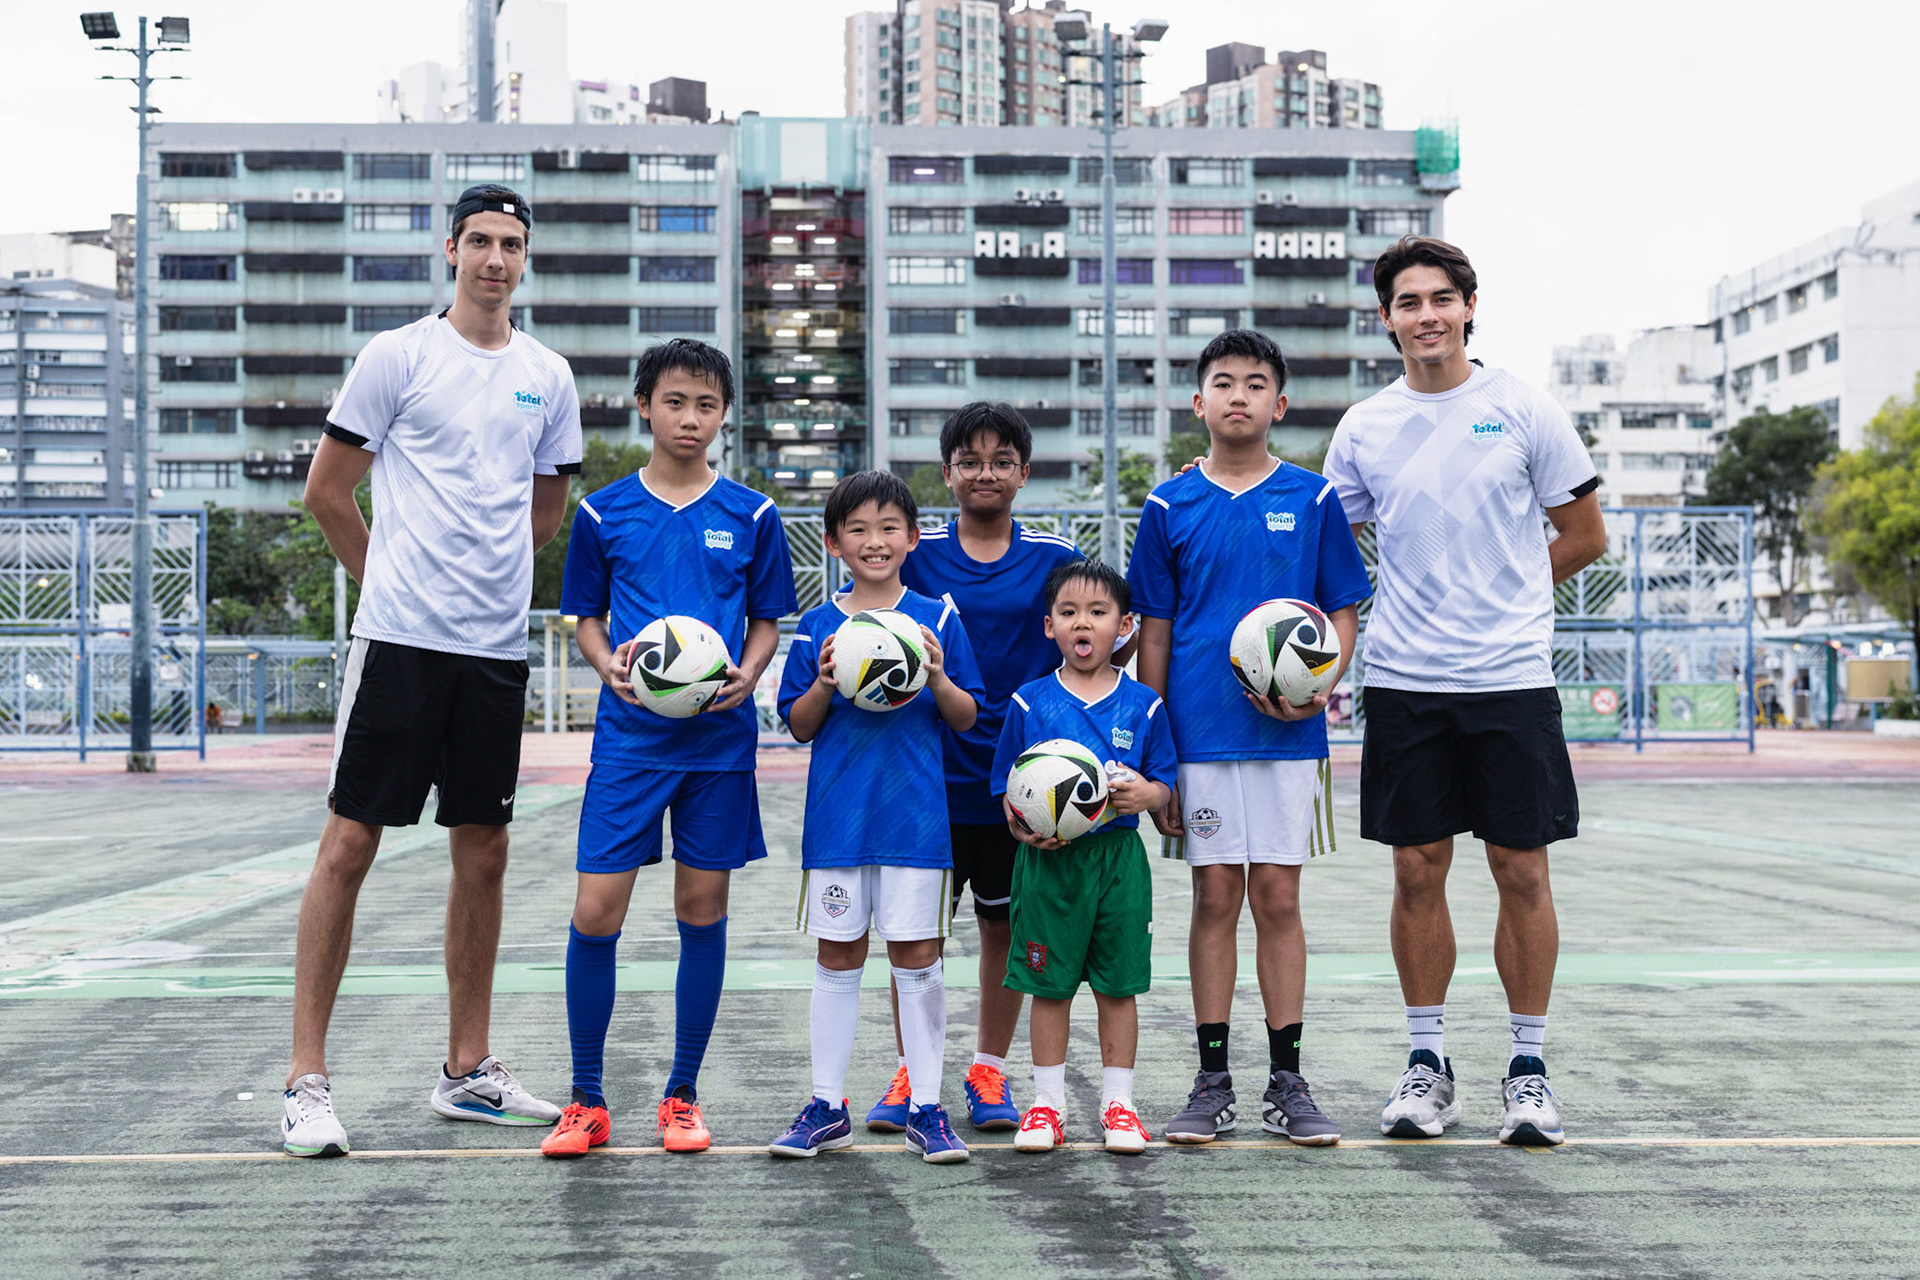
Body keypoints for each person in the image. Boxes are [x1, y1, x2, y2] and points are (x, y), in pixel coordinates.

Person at [283, 184, 578, 1157]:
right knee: (351, 843)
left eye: (513, 244)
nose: (496, 258)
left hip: (493, 651)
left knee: (484, 849)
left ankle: (467, 1070)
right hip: (401, 643)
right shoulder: (397, 355)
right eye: (481, 241)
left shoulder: (549, 374)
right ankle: (307, 1080)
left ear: (526, 259)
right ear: (450, 248)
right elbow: (328, 494)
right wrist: (393, 584)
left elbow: (544, 512)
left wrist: (482, 587)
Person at [1322, 236, 1607, 1146]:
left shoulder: (1524, 408)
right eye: (1408, 302)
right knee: (1416, 872)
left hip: (1510, 681)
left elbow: (1584, 533)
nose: (1427, 316)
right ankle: (1426, 1062)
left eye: (1441, 298)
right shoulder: (1364, 427)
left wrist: (1513, 595)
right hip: (1405, 680)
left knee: (1521, 870)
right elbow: (1331, 554)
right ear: (1386, 318)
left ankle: (1527, 1068)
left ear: (1470, 306)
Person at [540, 339, 796, 1158]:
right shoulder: (601, 512)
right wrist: (605, 661)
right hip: (630, 741)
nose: (691, 419)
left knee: (701, 911)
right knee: (596, 911)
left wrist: (750, 674)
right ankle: (585, 1099)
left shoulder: (752, 515)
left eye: (707, 405)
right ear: (643, 405)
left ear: (725, 416)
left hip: (718, 742)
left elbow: (765, 621)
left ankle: (682, 1095)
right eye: (676, 401)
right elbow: (584, 615)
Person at [1129, 328, 1371, 1147]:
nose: (1239, 395)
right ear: (1199, 403)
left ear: (1280, 403)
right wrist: (1154, 748)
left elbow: (1341, 608)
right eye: (1223, 383)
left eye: (1255, 383)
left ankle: (1289, 1080)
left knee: (1277, 897)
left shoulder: (1313, 499)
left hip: (1287, 736)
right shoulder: (1168, 504)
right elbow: (1154, 633)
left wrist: (1323, 684)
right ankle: (1211, 1080)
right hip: (1197, 736)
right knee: (1214, 898)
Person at [768, 471, 984, 1164]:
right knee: (838, 958)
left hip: (916, 824)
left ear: (913, 538)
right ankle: (826, 1105)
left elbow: (968, 715)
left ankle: (928, 1107)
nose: (875, 541)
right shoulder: (819, 625)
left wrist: (941, 676)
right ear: (833, 543)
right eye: (857, 529)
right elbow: (797, 725)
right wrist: (827, 684)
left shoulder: (937, 618)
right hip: (838, 822)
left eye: (889, 528)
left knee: (917, 959)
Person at [886, 401, 1089, 1134]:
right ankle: (914, 1073)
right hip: (926, 777)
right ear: (946, 473)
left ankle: (987, 1070)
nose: (985, 472)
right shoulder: (917, 553)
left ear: (1024, 474)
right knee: (917, 937)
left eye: (1002, 460)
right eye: (969, 460)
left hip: (1021, 784)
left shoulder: (1054, 557)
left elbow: (1096, 636)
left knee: (1002, 932)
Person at [991, 559, 1175, 1155]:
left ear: (1124, 626)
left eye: (1098, 612)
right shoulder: (1028, 703)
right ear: (1049, 626)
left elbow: (1164, 785)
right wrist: (1024, 830)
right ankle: (1047, 1104)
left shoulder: (1144, 705)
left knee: (1118, 987)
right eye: (1069, 612)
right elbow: (1007, 793)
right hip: (1050, 866)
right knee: (1050, 987)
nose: (1083, 623)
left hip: (1118, 862)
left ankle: (1119, 1104)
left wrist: (1146, 794)